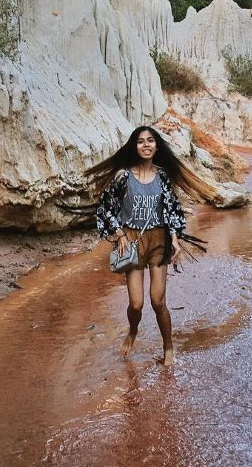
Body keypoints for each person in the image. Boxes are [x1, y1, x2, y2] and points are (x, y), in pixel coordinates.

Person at [62, 125, 200, 363]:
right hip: (133, 242)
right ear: (134, 147)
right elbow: (106, 207)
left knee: (158, 301)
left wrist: (175, 239)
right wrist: (120, 235)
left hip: (159, 241)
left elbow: (173, 209)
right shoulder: (123, 176)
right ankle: (133, 331)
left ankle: (168, 348)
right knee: (136, 304)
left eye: (150, 141)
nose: (146, 145)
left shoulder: (163, 176)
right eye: (140, 141)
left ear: (157, 146)